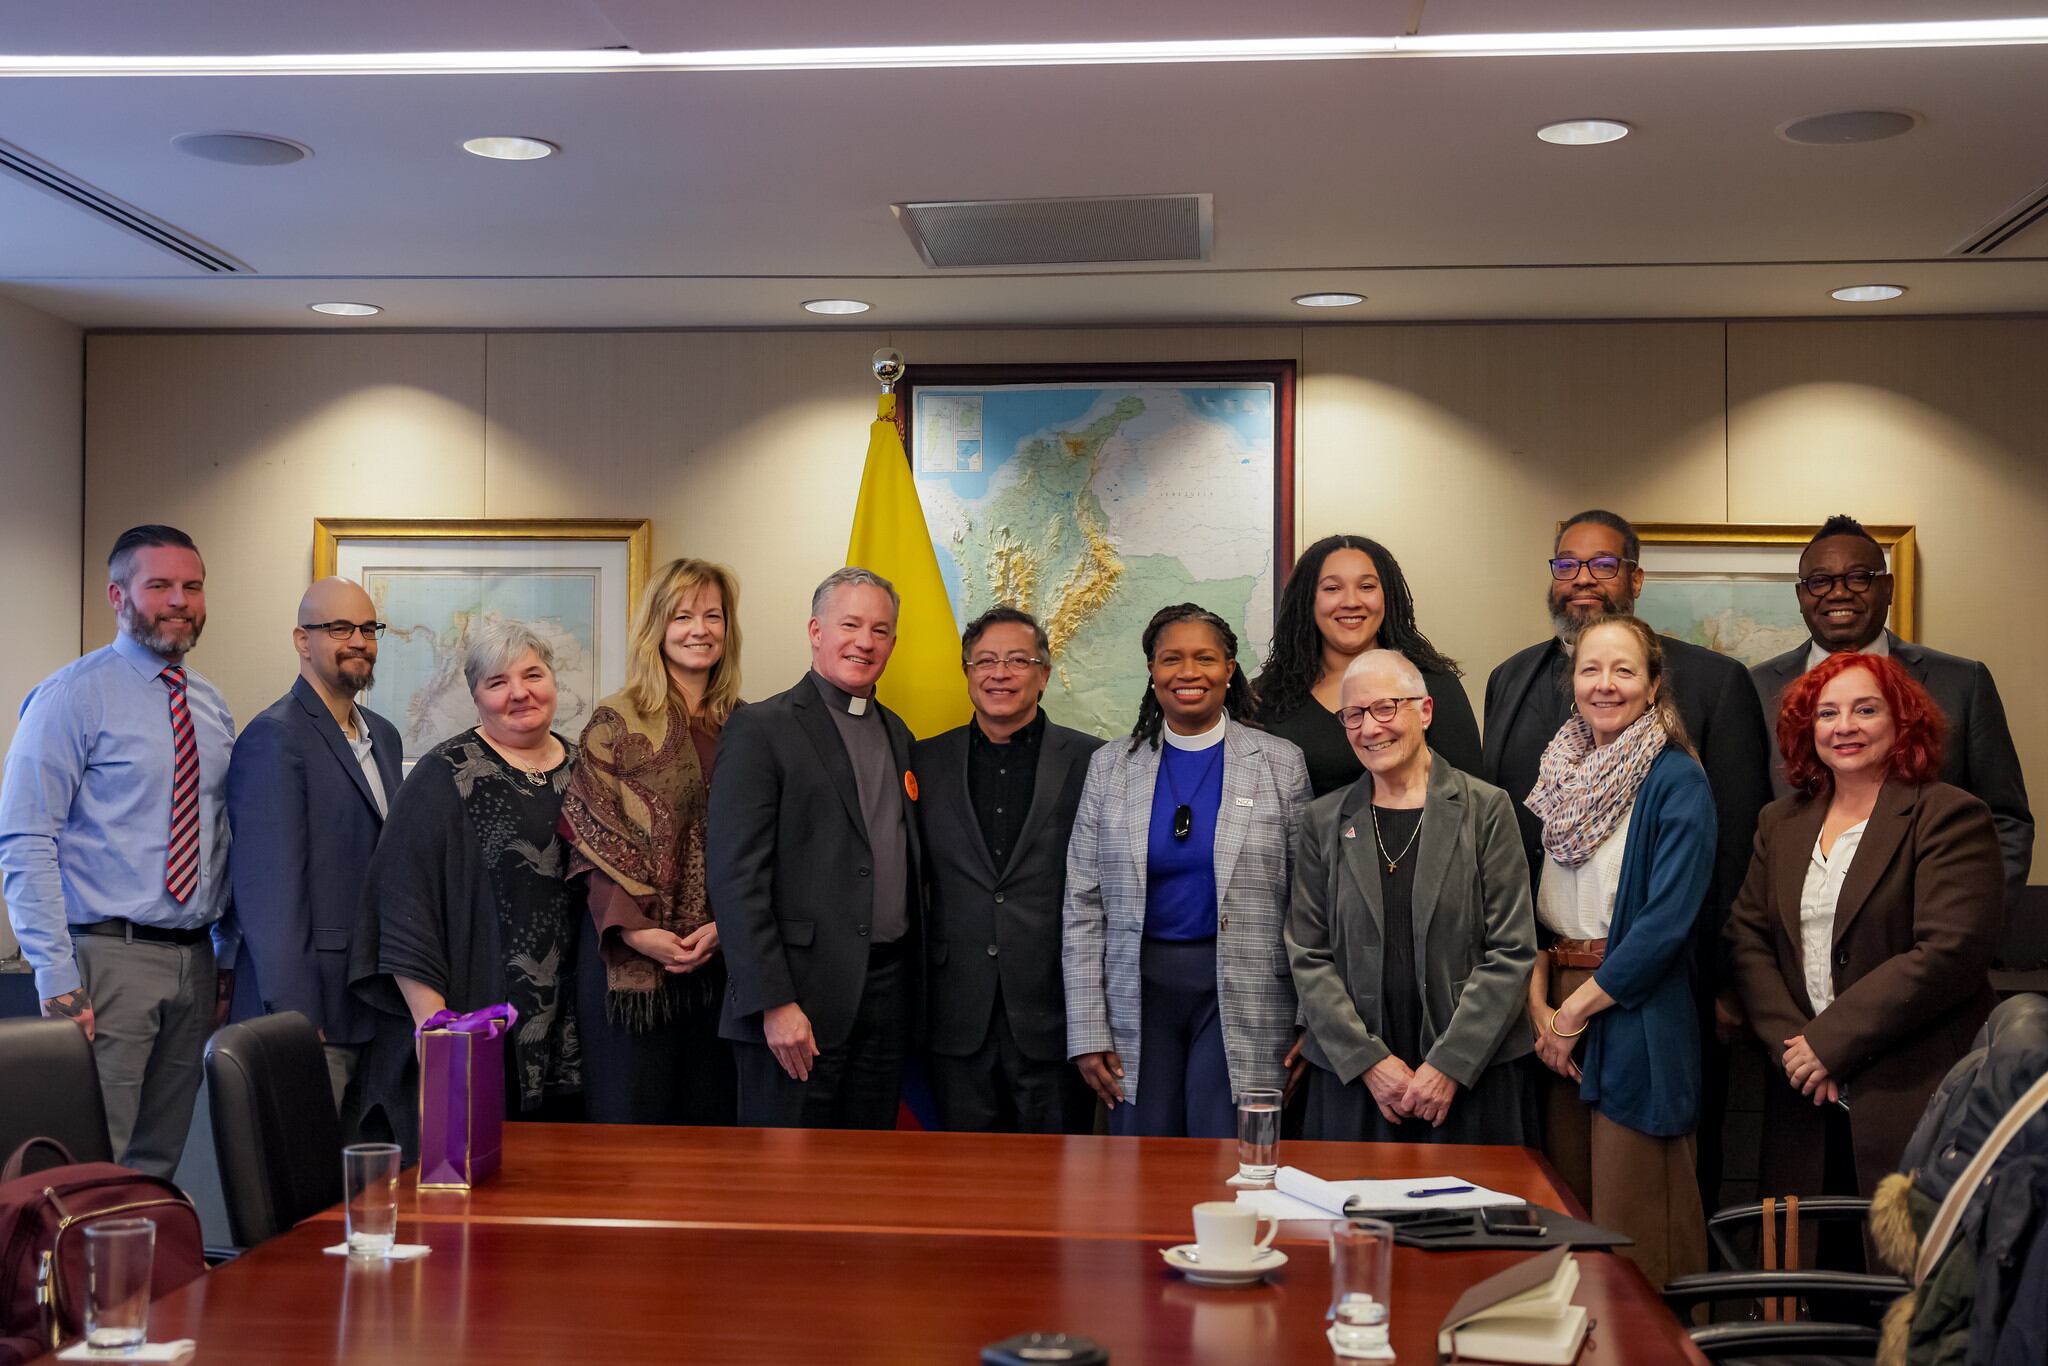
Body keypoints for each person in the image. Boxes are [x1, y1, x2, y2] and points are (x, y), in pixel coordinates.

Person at [1483, 507, 1770, 1211]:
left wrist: (1731, 983)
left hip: (1649, 991)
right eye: (1567, 564)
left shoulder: (1694, 731)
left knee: (1642, 1200)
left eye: (1603, 564)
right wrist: (1539, 1001)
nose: (1582, 578)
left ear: (1652, 682)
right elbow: (1514, 860)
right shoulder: (1520, 693)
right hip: (1548, 993)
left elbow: (1728, 858)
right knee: (1561, 1197)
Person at [0, 525, 235, 1177]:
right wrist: (56, 976)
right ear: (117, 595)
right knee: (90, 1163)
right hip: (104, 960)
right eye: (159, 585)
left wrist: (223, 956)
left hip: (193, 962)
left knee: (158, 1162)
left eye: (192, 586)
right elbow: (25, 839)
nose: (179, 601)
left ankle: (145, 1284)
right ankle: (76, 1284)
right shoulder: (71, 696)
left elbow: (219, 838)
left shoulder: (211, 708)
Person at [1726, 653, 2003, 1208]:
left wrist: (1829, 1043)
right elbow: (1747, 939)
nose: (1844, 726)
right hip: (1802, 1093)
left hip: (1911, 1088)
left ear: (1902, 722)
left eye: (1865, 709)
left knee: (1902, 1275)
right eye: (1827, 714)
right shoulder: (1779, 823)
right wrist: (1797, 1051)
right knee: (1801, 1271)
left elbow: (1949, 951)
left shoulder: (1949, 815)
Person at [1063, 603, 1311, 1138]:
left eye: (1206, 658)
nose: (1188, 672)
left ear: (1229, 669)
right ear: (1152, 672)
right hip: (1138, 997)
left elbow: (1308, 903)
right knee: (1140, 1164)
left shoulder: (1280, 763)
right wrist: (1086, 1029)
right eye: (1171, 658)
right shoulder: (1109, 767)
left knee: (1229, 1157)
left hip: (1246, 998)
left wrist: (1308, 1021)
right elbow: (1082, 905)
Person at [1524, 615, 1715, 1291]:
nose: (1605, 685)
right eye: (1590, 669)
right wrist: (1541, 1008)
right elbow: (1540, 915)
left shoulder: (1675, 780)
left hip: (1634, 1015)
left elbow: (1664, 927)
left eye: (1624, 671)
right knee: (1567, 1221)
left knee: (1640, 1231)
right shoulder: (1559, 776)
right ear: (1571, 682)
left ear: (1654, 684)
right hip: (1557, 1020)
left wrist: (1572, 1013)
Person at [1288, 649, 1537, 1143]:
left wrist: (1450, 1064)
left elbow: (1512, 950)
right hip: (1355, 1081)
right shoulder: (1322, 822)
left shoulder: (1486, 809)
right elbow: (1308, 954)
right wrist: (1369, 1062)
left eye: (1386, 708)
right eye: (1353, 715)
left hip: (1471, 1077)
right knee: (1351, 1220)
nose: (1370, 728)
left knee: (1463, 1220)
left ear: (1424, 711)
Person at [350, 621, 582, 1145]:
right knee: (475, 1186)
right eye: (497, 682)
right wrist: (433, 1023)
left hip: (576, 1028)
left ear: (553, 682)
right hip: (476, 1018)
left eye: (532, 675)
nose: (519, 693)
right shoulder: (443, 774)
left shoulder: (587, 769)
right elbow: (401, 899)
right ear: (476, 695)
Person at [707, 567, 924, 1129]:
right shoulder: (761, 728)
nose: (865, 641)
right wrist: (773, 1003)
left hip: (886, 999)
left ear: (893, 644)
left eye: (880, 630)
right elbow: (735, 878)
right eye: (849, 624)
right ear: (815, 630)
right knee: (786, 1188)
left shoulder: (899, 733)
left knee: (869, 1180)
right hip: (796, 1002)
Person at [1750, 514, 2032, 915]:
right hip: (1795, 936)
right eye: (1820, 581)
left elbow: (2005, 819)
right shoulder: (1756, 689)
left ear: (1888, 588)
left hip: (1933, 932)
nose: (1838, 593)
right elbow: (1742, 825)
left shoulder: (1962, 682)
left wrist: (1975, 923)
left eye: (1858, 577)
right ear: (1801, 596)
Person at [561, 558, 742, 1125]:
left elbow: (765, 844)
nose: (700, 629)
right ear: (656, 627)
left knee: (714, 1147)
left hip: (723, 967)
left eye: (713, 616)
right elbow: (589, 840)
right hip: (632, 969)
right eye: (683, 615)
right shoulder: (615, 721)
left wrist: (725, 927)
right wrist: (640, 933)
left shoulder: (748, 724)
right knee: (631, 1150)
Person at [912, 607, 1103, 1133]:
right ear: (968, 672)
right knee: (962, 1185)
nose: (1000, 673)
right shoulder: (922, 761)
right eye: (986, 661)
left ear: (1043, 674)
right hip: (953, 1016)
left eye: (1018, 660)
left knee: (1059, 1185)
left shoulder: (1094, 761)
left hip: (1056, 1013)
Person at [223, 577, 402, 1124]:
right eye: (340, 628)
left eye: (368, 628)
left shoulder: (384, 735)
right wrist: (296, 1017)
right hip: (312, 1012)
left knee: (370, 1185)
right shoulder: (274, 737)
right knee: (303, 1184)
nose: (359, 640)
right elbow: (269, 893)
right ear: (303, 641)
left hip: (376, 1002)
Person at [1258, 534, 1482, 794]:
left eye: (1366, 587)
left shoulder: (1433, 685)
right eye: (1332, 588)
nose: (1352, 602)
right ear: (1308, 600)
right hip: (1306, 836)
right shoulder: (1269, 698)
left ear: (1388, 596)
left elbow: (1470, 798)